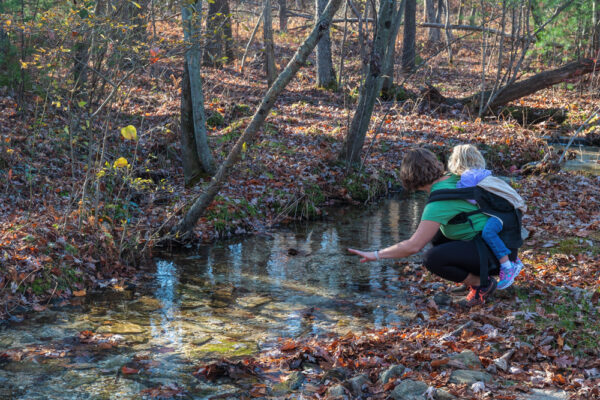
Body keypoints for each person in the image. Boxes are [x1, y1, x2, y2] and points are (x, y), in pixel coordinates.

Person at [348, 148, 519, 307]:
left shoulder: (438, 204)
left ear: (409, 177)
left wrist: (376, 255)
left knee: (431, 258)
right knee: (437, 235)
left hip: (496, 255)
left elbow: (413, 246)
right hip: (506, 246)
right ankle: (473, 278)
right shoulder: (455, 178)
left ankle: (481, 282)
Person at [447, 144, 524, 290]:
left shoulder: (468, 176)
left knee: (488, 232)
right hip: (509, 211)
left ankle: (508, 266)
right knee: (494, 233)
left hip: (502, 214)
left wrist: (456, 187)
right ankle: (514, 260)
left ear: (457, 161)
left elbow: (473, 199)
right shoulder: (482, 172)